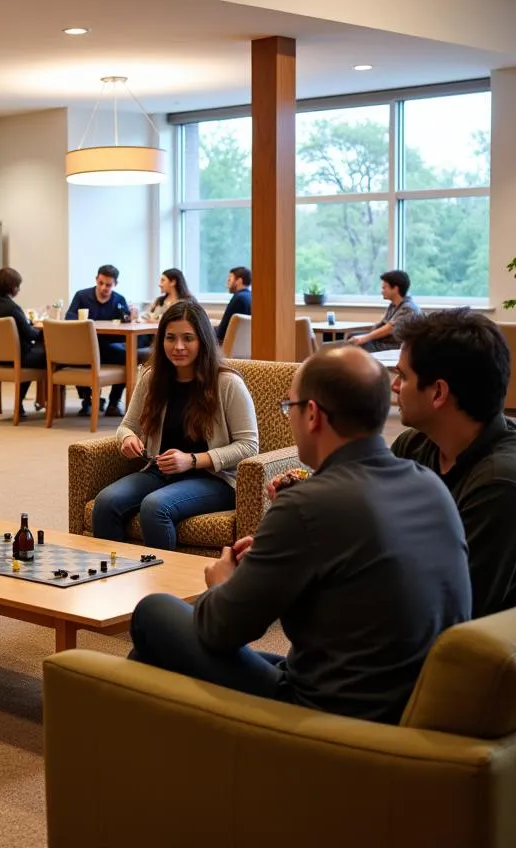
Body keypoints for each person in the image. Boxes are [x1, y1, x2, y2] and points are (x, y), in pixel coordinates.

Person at [129, 345, 471, 725]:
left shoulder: (308, 504)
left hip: (327, 714)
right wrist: (273, 555)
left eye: (288, 407)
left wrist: (221, 584)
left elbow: (219, 631)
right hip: (405, 704)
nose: (289, 417)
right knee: (158, 653)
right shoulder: (430, 485)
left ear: (312, 415)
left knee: (153, 614)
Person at [92, 300, 258, 549]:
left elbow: (249, 446)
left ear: (202, 340)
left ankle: (164, 586)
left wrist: (192, 460)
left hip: (215, 479)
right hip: (161, 471)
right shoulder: (152, 378)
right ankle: (115, 581)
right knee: (106, 503)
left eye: (188, 338)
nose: (178, 346)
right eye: (170, 338)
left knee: (156, 507)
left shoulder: (227, 383)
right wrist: (127, 438)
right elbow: (127, 426)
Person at [391, 308, 516, 618]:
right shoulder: (413, 446)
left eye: (403, 376)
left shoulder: (499, 484)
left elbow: (457, 608)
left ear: (438, 393)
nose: (394, 386)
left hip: (465, 656)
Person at [0, 267, 46, 418]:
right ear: (13, 287)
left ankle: (26, 403)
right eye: (18, 286)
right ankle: (44, 402)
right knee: (49, 355)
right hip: (17, 359)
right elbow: (29, 334)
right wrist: (44, 332)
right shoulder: (12, 308)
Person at [64, 264, 129, 417]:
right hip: (85, 346)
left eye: (108, 285)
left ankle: (114, 403)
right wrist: (86, 322)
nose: (103, 288)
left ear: (115, 284)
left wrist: (129, 316)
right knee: (72, 357)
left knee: (128, 358)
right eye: (100, 283)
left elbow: (126, 322)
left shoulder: (119, 299)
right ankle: (88, 399)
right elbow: (69, 316)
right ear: (96, 279)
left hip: (108, 346)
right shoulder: (82, 295)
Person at [349, 270, 420, 352]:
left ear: (395, 289)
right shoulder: (393, 305)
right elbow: (382, 324)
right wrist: (362, 335)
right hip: (384, 341)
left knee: (359, 345)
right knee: (352, 336)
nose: (382, 291)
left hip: (396, 346)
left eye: (384, 288)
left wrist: (362, 339)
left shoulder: (408, 308)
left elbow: (390, 329)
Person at [214, 266, 252, 344]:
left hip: (223, 344)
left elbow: (221, 332)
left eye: (229, 279)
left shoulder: (238, 299)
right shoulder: (250, 297)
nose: (227, 282)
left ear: (239, 281)